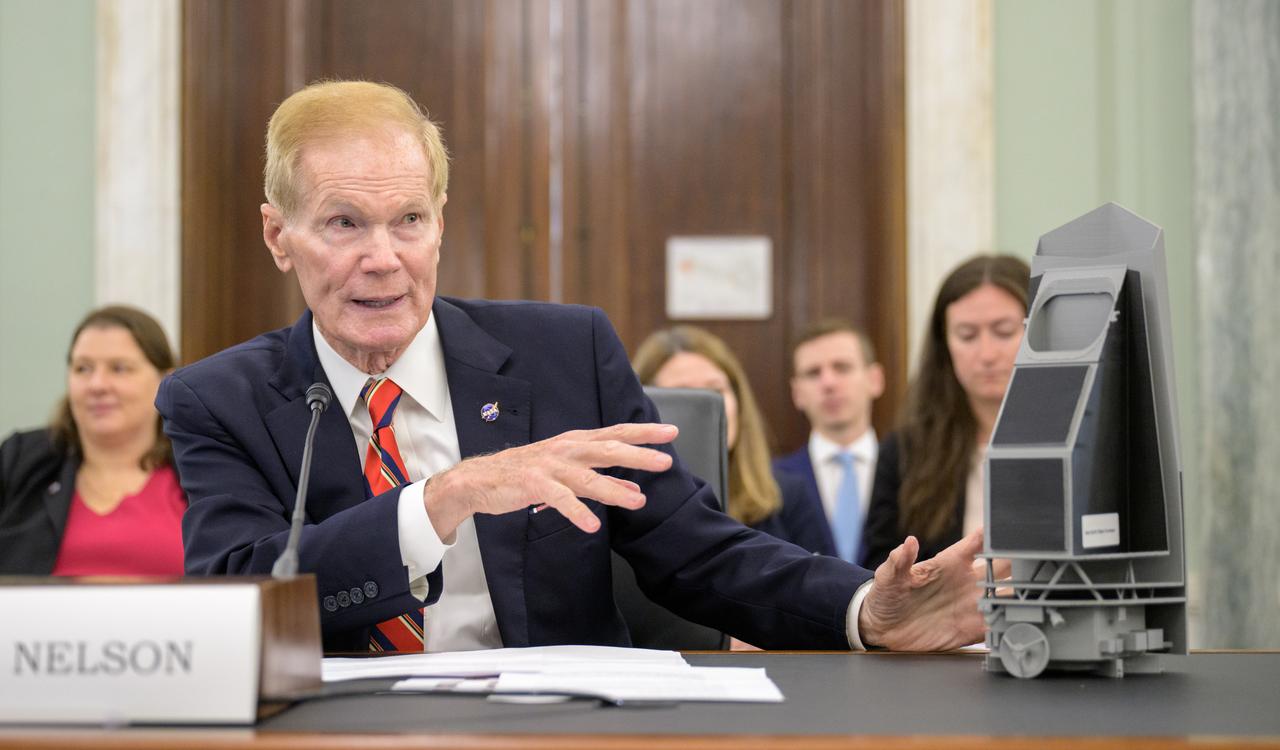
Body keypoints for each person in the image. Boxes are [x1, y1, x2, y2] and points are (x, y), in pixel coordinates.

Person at [157, 79, 990, 655]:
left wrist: (861, 609)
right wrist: (440, 502)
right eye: (343, 223)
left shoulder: (565, 355)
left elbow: (696, 551)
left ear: (441, 222)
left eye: (409, 219)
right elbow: (240, 601)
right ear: (278, 236)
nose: (384, 259)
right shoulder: (218, 400)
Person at [861, 255, 1030, 570]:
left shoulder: (1087, 442)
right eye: (967, 335)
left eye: (1004, 332)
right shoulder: (906, 452)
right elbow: (878, 571)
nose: (987, 354)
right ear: (945, 345)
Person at [0, 305, 184, 575]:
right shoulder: (21, 460)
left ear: (166, 381)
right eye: (83, 368)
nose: (97, 385)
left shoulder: (201, 471)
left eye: (119, 369)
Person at [632, 326, 832, 555]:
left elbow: (826, 586)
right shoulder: (625, 502)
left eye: (716, 391)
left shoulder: (787, 493)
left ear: (739, 401)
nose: (707, 411)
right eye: (685, 395)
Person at [774, 320, 884, 565]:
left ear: (875, 380)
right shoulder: (771, 483)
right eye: (813, 373)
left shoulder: (913, 473)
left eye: (842, 368)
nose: (828, 383)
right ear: (797, 393)